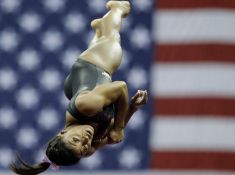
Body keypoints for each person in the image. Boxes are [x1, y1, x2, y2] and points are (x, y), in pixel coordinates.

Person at [10, 1, 148, 174]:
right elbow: (113, 136)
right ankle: (98, 30)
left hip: (92, 67)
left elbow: (121, 87)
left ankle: (116, 8)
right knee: (103, 40)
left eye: (76, 139)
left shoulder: (85, 106)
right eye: (83, 148)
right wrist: (133, 108)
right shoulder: (89, 149)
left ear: (61, 133)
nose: (85, 141)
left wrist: (119, 127)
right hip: (78, 84)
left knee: (112, 39)